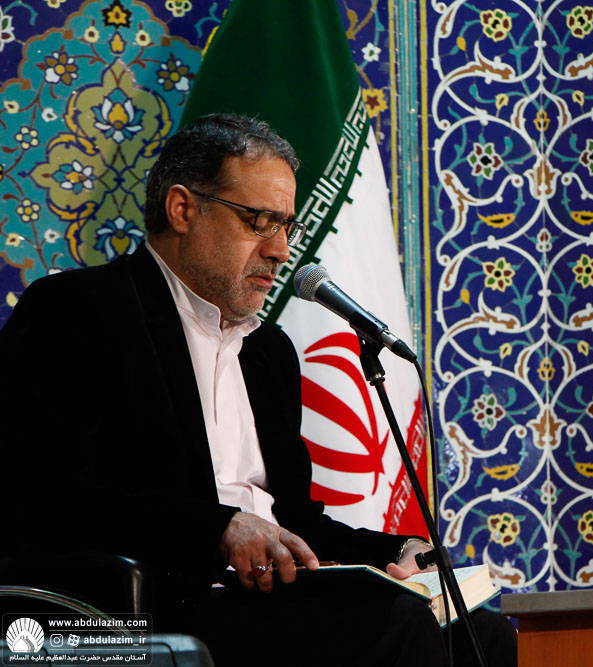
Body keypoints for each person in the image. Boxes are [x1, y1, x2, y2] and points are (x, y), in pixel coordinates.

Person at [0, 114, 516, 666]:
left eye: (287, 226)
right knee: (395, 626)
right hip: (156, 610)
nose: (281, 250)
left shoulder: (268, 352)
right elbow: (40, 497)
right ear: (182, 209)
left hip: (269, 602)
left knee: (481, 633)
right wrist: (219, 529)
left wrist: (398, 549)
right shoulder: (79, 311)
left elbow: (297, 524)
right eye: (260, 221)